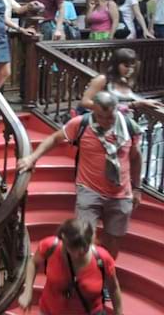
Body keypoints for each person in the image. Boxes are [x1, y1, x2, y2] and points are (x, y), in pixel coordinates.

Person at [18, 91, 142, 259]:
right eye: (100, 117)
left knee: (113, 239)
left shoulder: (129, 127)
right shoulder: (81, 124)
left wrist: (137, 188)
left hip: (121, 194)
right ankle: (84, 274)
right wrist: (33, 157)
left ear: (116, 110)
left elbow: (135, 158)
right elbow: (55, 139)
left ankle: (105, 272)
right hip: (89, 191)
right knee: (84, 237)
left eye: (110, 117)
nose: (105, 122)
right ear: (93, 111)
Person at [18, 218, 123, 315]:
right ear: (64, 240)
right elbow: (33, 263)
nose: (80, 253)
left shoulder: (102, 258)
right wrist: (28, 292)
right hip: (50, 311)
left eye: (85, 248)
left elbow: (113, 288)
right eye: (74, 248)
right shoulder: (50, 246)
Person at [80, 48, 162, 114]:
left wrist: (143, 102)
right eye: (126, 66)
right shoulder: (102, 79)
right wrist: (119, 107)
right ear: (116, 64)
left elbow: (125, 104)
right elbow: (85, 102)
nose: (130, 70)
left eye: (133, 67)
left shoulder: (126, 81)